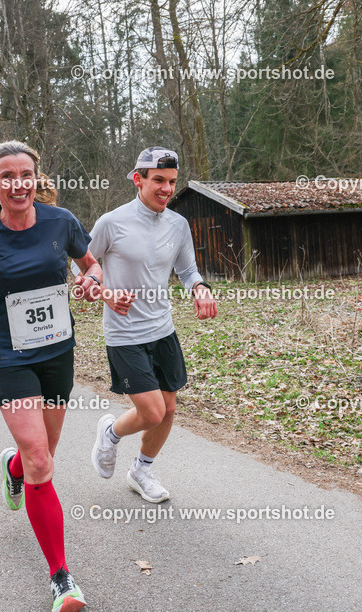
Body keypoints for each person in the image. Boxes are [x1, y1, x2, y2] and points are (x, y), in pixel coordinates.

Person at [0, 141, 101, 612]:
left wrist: (91, 280)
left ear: (35, 178)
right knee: (42, 462)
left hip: (57, 355)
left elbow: (89, 263)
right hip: (10, 358)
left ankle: (13, 468)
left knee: (38, 456)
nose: (17, 183)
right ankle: (61, 578)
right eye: (6, 176)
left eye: (24, 174)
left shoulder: (60, 221)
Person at [82, 147, 217, 503]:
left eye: (172, 182)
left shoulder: (178, 224)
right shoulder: (112, 222)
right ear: (138, 179)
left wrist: (200, 288)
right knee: (152, 411)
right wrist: (105, 293)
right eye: (158, 180)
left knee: (169, 410)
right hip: (124, 334)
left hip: (163, 330)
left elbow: (187, 271)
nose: (166, 189)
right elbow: (82, 266)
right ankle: (110, 433)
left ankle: (142, 469)